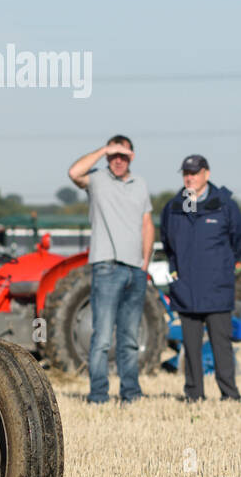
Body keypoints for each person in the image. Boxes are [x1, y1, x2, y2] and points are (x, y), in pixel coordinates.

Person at [68, 135, 154, 403]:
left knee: (129, 338)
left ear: (132, 157)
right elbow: (74, 172)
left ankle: (131, 394)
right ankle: (98, 396)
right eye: (114, 155)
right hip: (106, 267)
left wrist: (145, 262)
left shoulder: (140, 184)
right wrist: (105, 148)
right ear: (107, 156)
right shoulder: (97, 180)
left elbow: (147, 223)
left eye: (124, 155)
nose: (118, 160)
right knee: (102, 338)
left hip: (135, 270)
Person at [160, 154, 241, 401]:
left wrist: (225, 269)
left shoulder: (225, 205)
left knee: (221, 345)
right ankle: (194, 395)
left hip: (218, 287)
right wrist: (176, 273)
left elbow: (237, 243)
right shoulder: (173, 208)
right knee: (191, 346)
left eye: (194, 173)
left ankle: (229, 394)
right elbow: (167, 244)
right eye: (186, 173)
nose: (189, 177)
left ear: (206, 174)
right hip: (186, 288)